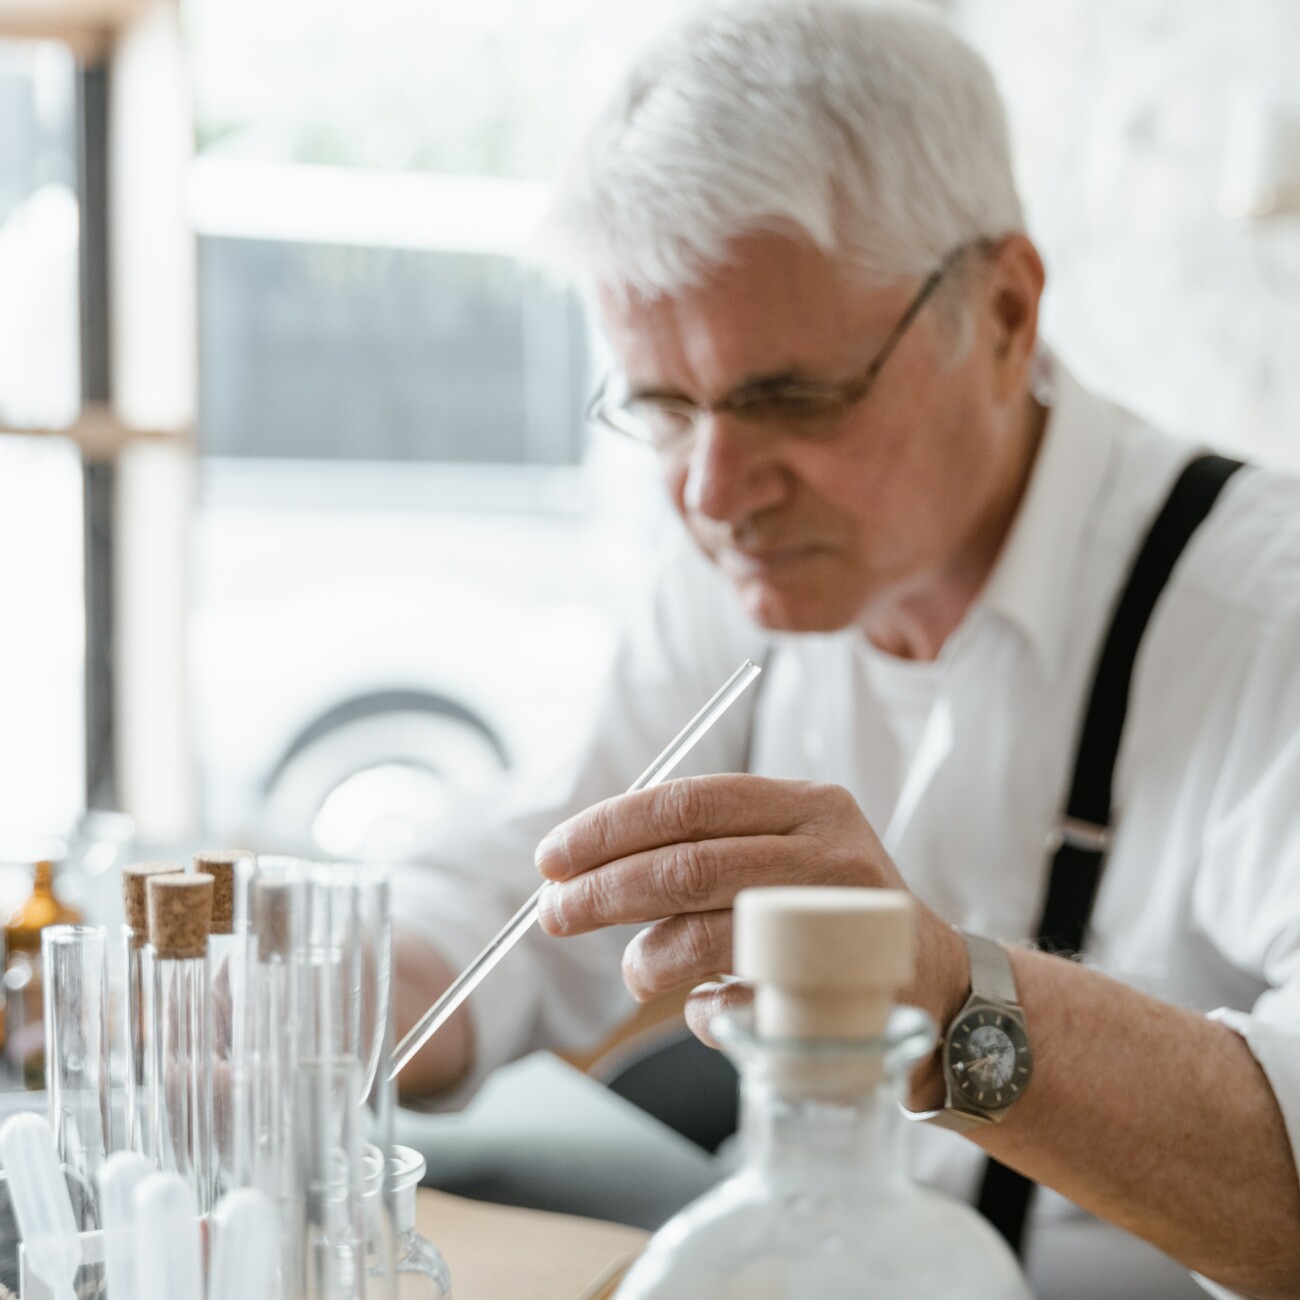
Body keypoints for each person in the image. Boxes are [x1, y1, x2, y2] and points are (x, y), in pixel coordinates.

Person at [390, 3, 1300, 1295]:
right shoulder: (744, 571)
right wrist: (330, 999)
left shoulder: (1267, 618)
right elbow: (533, 886)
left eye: (790, 399)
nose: (711, 490)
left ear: (1002, 312)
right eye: (661, 406)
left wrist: (943, 1001)